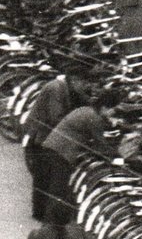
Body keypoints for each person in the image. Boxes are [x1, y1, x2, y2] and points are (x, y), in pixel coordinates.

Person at [38, 89, 121, 222]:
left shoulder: (86, 110)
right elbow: (101, 143)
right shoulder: (94, 118)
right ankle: (52, 222)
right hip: (62, 151)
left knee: (53, 185)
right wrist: (117, 157)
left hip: (52, 145)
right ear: (105, 108)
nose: (113, 113)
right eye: (113, 110)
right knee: (59, 188)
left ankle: (47, 217)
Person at [23, 73, 90, 220]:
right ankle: (41, 212)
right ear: (75, 79)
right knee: (43, 176)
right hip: (39, 137)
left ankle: (40, 211)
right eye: (83, 83)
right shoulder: (56, 89)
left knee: (43, 177)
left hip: (42, 136)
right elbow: (56, 117)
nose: (84, 87)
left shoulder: (64, 88)